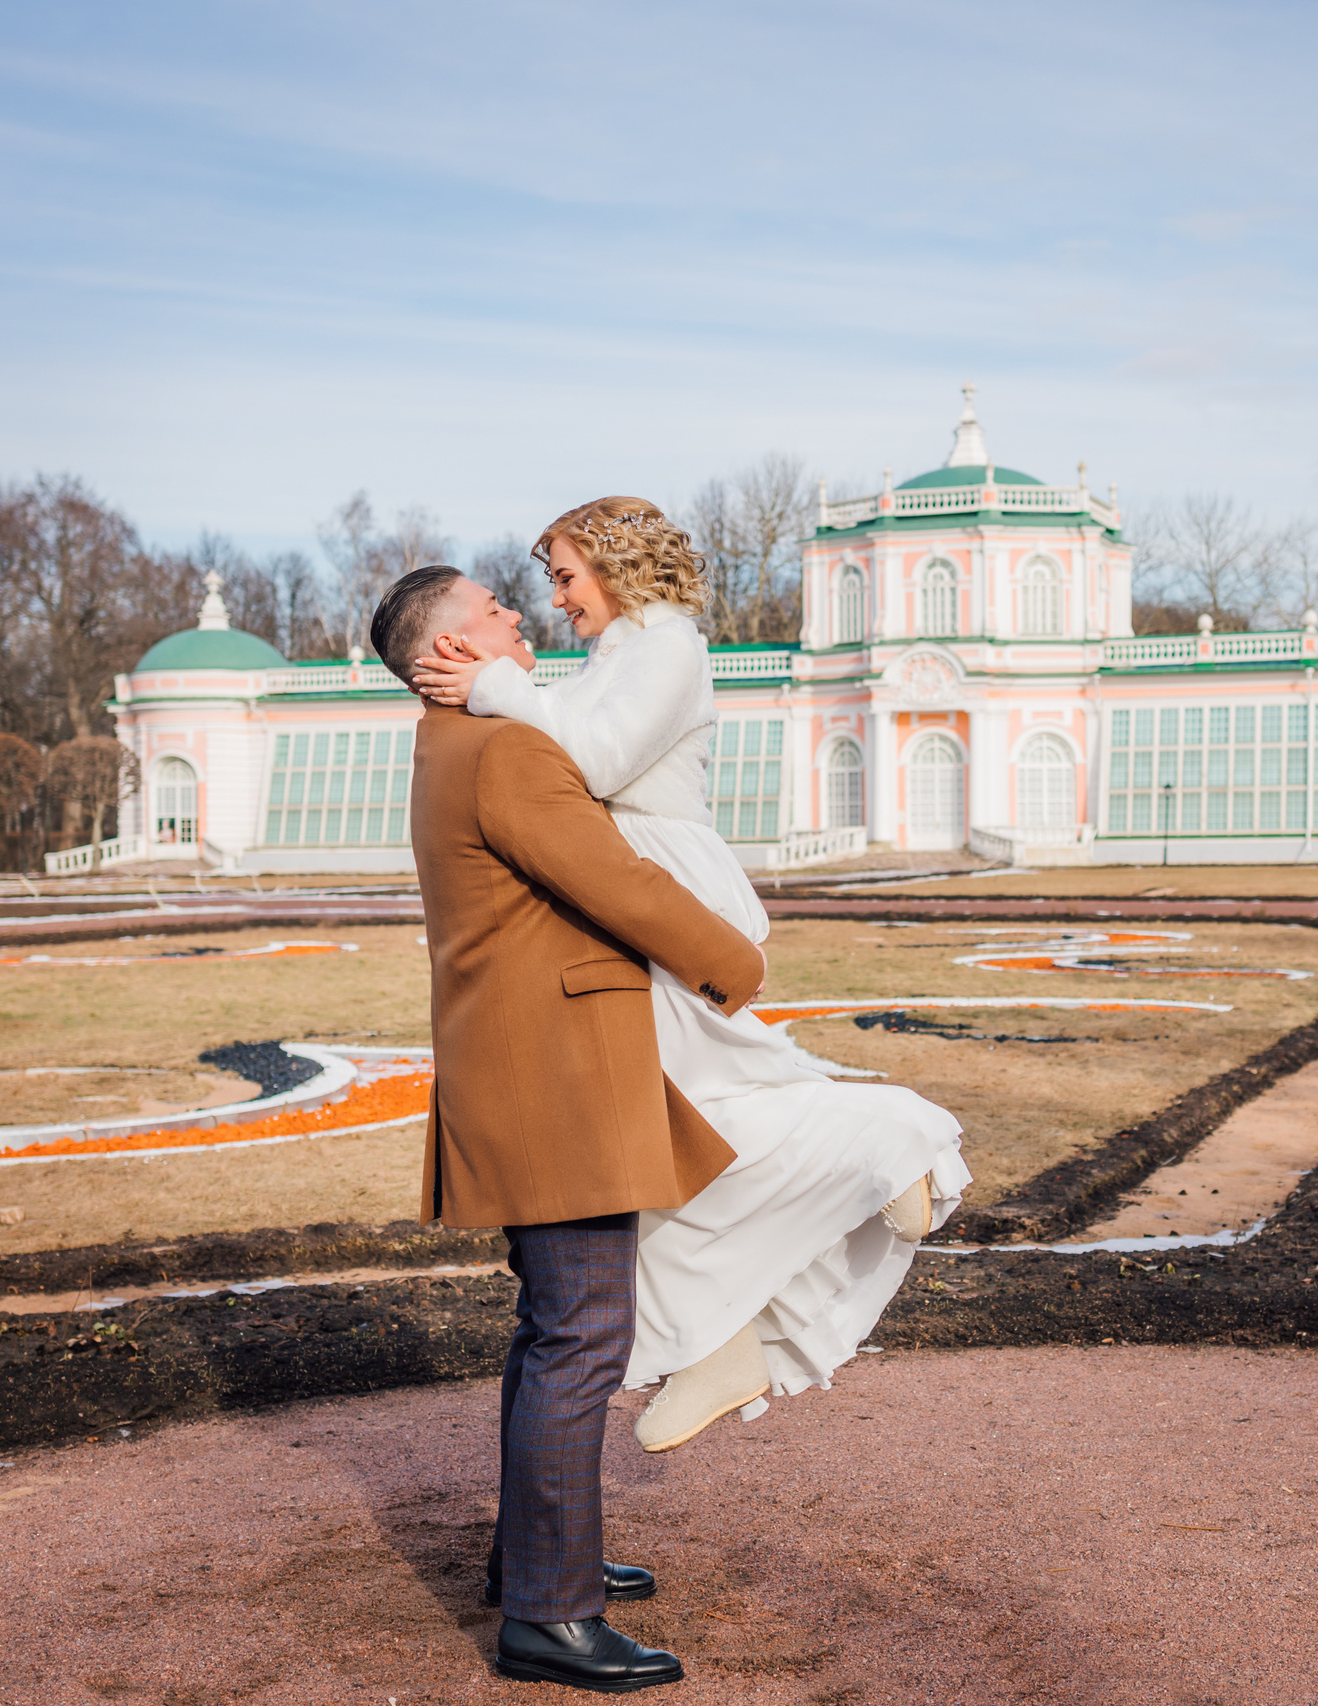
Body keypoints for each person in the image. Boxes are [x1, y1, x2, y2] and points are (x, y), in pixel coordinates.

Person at [408, 496, 969, 1454]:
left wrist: (494, 681)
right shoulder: (611, 655)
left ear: (618, 567)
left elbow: (592, 756)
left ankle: (890, 1147)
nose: (553, 600)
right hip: (636, 898)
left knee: (711, 1107)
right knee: (680, 1136)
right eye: (544, 582)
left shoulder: (669, 644)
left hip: (670, 887)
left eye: (565, 576)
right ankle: (733, 1331)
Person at [371, 563, 765, 1692]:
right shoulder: (504, 749)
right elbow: (611, 881)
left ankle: (531, 1561)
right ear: (451, 647)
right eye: (493, 608)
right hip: (557, 1084)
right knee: (581, 1336)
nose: (517, 615)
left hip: (528, 1074)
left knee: (555, 1328)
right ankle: (549, 1613)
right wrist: (735, 963)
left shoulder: (458, 744)